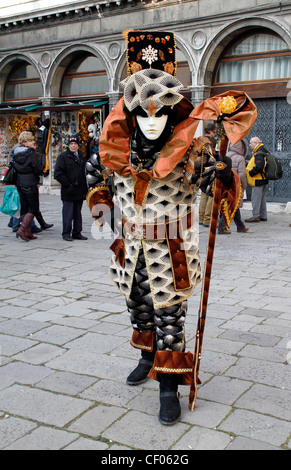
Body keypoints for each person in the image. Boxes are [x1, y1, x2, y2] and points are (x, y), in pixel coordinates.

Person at [85, 30, 256, 425]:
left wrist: (223, 174)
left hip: (171, 252)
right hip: (130, 251)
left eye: (160, 112)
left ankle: (168, 387)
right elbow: (98, 183)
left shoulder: (191, 154)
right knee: (138, 311)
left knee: (169, 319)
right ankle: (147, 359)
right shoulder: (114, 150)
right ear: (130, 114)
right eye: (143, 113)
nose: (151, 122)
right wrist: (99, 210)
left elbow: (220, 192)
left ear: (173, 113)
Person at [54, 134, 88, 241]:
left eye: (75, 144)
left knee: (77, 212)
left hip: (79, 190)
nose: (73, 146)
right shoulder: (63, 157)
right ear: (68, 145)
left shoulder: (82, 157)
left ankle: (77, 232)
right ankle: (66, 233)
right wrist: (69, 183)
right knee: (68, 213)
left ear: (78, 145)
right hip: (68, 190)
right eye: (71, 144)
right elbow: (58, 174)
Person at [12, 131, 45, 241]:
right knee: (34, 207)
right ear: (25, 142)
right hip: (30, 182)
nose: (33, 143)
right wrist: (41, 170)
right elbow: (37, 167)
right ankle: (22, 229)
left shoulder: (15, 153)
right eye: (31, 141)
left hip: (20, 182)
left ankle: (27, 232)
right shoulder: (31, 153)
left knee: (24, 208)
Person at [218, 139, 249, 234]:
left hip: (223, 184)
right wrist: (244, 185)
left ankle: (240, 226)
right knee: (230, 205)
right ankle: (221, 227)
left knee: (232, 204)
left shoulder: (224, 156)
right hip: (234, 185)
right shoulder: (240, 158)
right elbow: (242, 174)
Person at [245, 136, 268, 223]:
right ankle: (263, 215)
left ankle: (256, 216)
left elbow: (259, 165)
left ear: (255, 143)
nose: (250, 145)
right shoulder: (263, 150)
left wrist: (251, 172)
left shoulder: (259, 153)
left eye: (251, 143)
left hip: (257, 179)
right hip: (262, 178)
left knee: (256, 198)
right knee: (262, 198)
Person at [199, 123, 217, 227]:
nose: (214, 134)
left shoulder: (198, 140)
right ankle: (207, 219)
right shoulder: (213, 142)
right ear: (210, 131)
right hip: (211, 170)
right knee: (211, 195)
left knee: (203, 195)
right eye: (214, 132)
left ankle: (201, 218)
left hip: (200, 171)